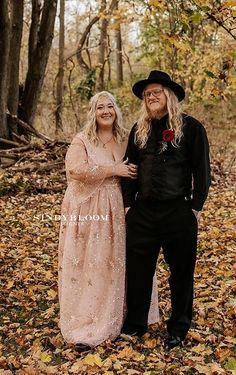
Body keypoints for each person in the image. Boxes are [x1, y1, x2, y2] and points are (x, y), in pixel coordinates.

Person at [58, 91, 159, 351]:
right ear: (93, 112)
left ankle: (125, 315)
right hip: (90, 209)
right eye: (100, 107)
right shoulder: (82, 139)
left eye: (110, 106)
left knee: (120, 260)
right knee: (95, 261)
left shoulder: (127, 137)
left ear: (116, 110)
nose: (106, 111)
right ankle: (90, 320)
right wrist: (113, 169)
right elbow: (75, 169)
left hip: (120, 206)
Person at [121, 71, 211, 349]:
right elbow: (129, 169)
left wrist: (195, 207)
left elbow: (202, 171)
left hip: (178, 213)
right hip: (143, 213)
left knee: (181, 273)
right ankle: (136, 324)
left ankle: (178, 327)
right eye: (147, 94)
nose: (151, 97)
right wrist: (127, 205)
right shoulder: (139, 129)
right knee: (138, 271)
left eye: (156, 92)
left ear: (169, 95)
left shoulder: (192, 128)